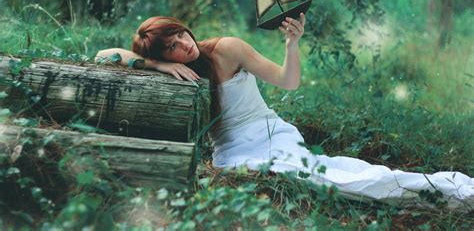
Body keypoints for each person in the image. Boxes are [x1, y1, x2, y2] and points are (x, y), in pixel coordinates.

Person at [95, 15, 473, 211]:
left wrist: (292, 44)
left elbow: (287, 81)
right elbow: (102, 56)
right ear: (163, 55)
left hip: (270, 134)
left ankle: (442, 188)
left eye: (181, 35)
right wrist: (156, 68)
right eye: (172, 48)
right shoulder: (176, 71)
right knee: (302, 176)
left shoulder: (226, 48)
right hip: (231, 151)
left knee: (326, 174)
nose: (184, 45)